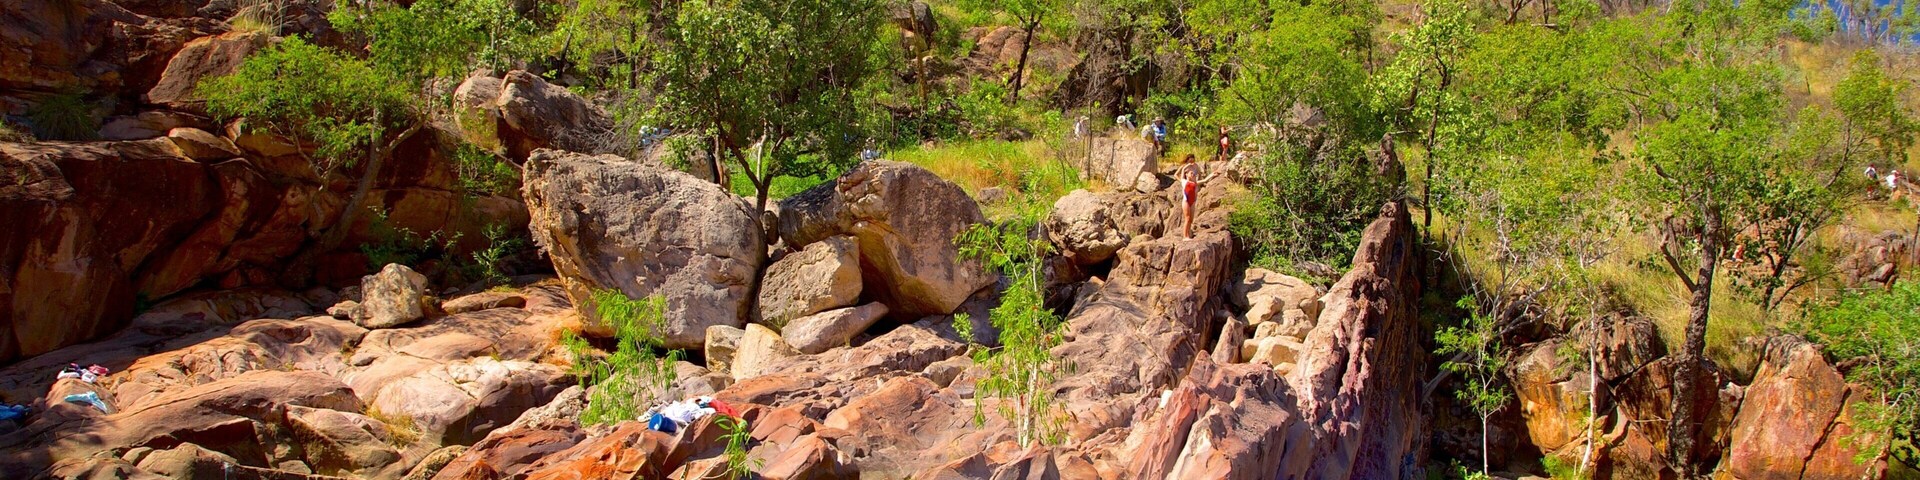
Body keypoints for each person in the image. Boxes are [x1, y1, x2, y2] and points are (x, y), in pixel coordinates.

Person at [1177, 154, 1216, 239]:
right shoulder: (1184, 182)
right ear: (1186, 175)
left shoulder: (1194, 183)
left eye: (1194, 174)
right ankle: (1185, 236)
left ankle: (1189, 233)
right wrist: (1186, 166)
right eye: (1191, 173)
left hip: (1193, 201)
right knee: (1187, 218)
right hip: (1186, 201)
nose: (1193, 174)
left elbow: (1205, 180)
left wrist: (1213, 174)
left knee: (1191, 220)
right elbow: (1182, 172)